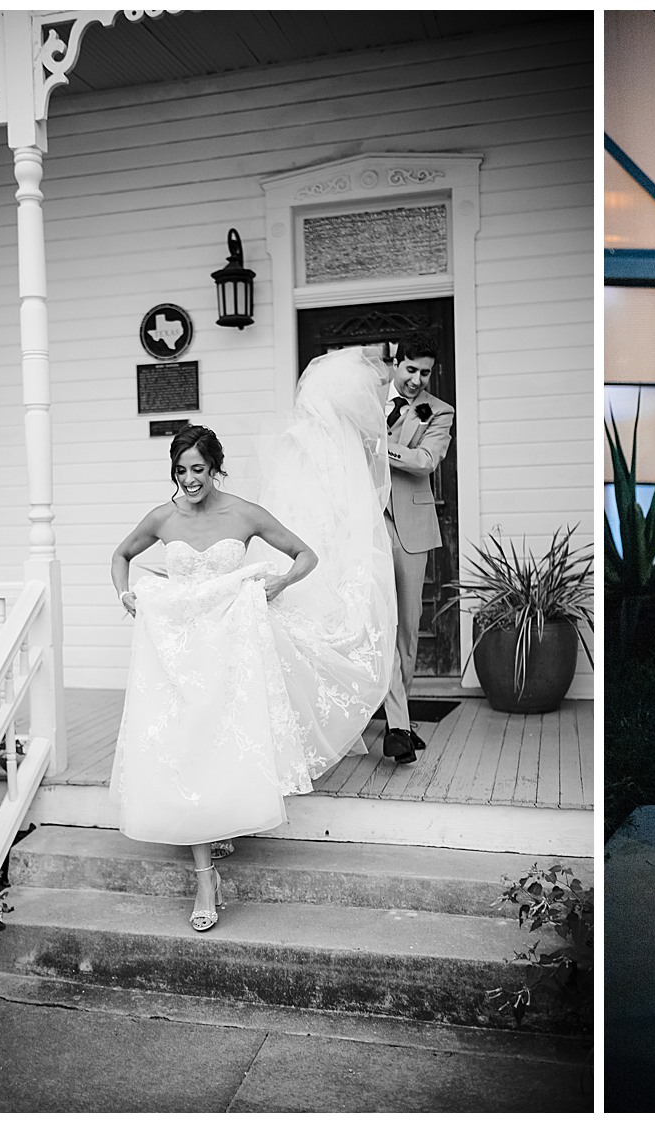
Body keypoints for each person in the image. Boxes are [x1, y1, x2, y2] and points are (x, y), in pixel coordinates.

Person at [109, 349, 396, 932]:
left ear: (216, 468)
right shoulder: (162, 520)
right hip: (177, 655)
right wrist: (127, 595)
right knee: (187, 747)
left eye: (199, 470)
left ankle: (219, 828)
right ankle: (204, 876)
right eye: (181, 470)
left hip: (232, 652)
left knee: (221, 746)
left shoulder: (244, 513)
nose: (189, 481)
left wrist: (276, 587)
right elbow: (120, 557)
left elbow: (305, 554)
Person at [381, 333, 455, 765]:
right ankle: (396, 726)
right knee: (369, 620)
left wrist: (376, 444)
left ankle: (399, 719)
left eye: (425, 372)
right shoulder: (363, 399)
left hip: (409, 525)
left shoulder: (439, 410)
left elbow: (426, 460)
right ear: (397, 362)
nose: (416, 380)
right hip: (361, 524)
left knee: (406, 627)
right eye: (410, 369)